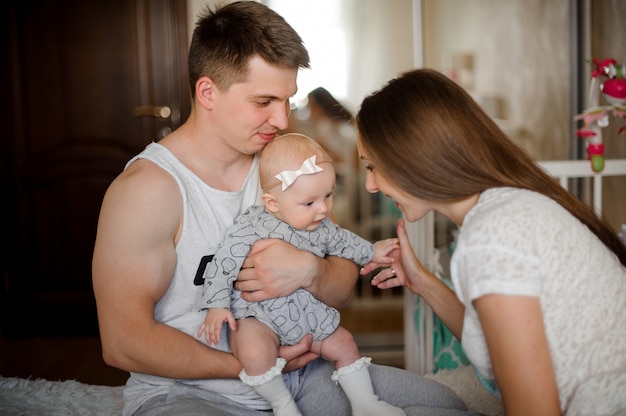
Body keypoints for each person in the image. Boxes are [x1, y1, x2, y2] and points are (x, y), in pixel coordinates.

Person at [92, 2, 476, 415]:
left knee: (446, 405)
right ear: (207, 93)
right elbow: (123, 343)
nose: (281, 119)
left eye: (287, 100)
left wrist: (310, 270)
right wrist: (250, 366)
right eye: (264, 102)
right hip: (191, 392)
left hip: (301, 377)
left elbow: (344, 285)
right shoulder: (147, 191)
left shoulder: (284, 165)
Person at [356, 68, 626, 415]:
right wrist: (421, 281)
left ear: (412, 156)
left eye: (372, 167)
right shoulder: (502, 210)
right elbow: (488, 341)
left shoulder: (493, 235)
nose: (370, 186)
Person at [197, 133, 404, 416]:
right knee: (254, 351)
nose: (323, 209)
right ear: (272, 203)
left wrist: (372, 251)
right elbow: (224, 264)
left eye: (328, 196)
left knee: (344, 343)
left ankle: (365, 402)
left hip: (308, 316)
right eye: (310, 203)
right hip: (260, 318)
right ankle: (282, 404)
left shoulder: (321, 226)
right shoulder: (251, 226)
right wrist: (217, 306)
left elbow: (344, 241)